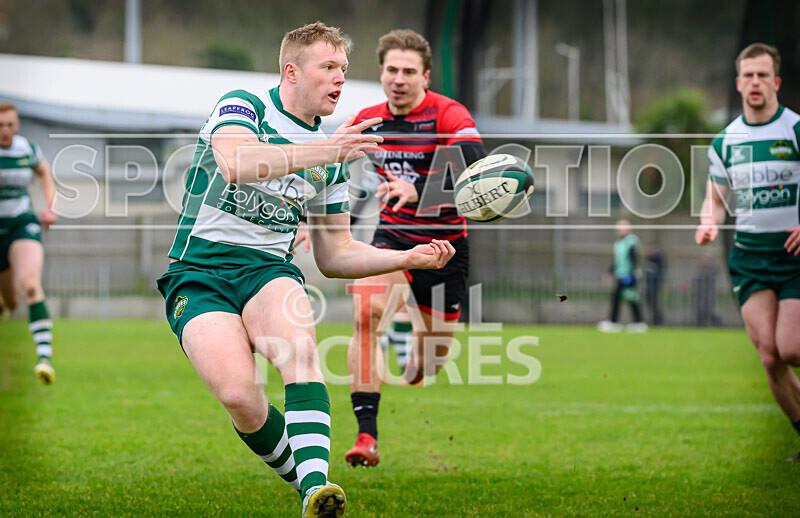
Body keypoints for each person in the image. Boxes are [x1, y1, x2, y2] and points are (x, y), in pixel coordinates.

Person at [155, 22, 455, 517]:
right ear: (292, 71)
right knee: (240, 398)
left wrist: (405, 257)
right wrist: (327, 151)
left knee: (300, 356)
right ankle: (305, 482)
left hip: (268, 271)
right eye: (329, 67)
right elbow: (235, 162)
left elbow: (335, 254)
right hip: (198, 271)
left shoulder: (333, 156)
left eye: (344, 69)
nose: (340, 79)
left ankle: (319, 489)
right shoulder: (243, 105)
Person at [344, 29, 486, 467]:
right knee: (366, 316)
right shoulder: (368, 118)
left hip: (445, 247)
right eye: (391, 70)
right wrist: (318, 222)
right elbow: (333, 168)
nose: (399, 79)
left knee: (432, 360)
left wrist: (419, 186)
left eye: (409, 71)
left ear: (425, 75)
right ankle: (366, 436)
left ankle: (420, 360)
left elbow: (473, 165)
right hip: (391, 239)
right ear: (381, 73)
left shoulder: (447, 113)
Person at [696, 42, 800, 461]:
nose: (754, 83)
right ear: (738, 83)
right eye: (748, 76)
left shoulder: (794, 130)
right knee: (769, 355)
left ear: (775, 82)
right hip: (750, 258)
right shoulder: (725, 142)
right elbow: (716, 200)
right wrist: (707, 222)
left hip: (792, 257)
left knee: (791, 347)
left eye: (762, 75)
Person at [0, 102, 57, 384]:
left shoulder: (27, 149)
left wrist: (49, 206)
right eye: (0, 126)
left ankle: (44, 359)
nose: (5, 131)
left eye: (10, 125)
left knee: (31, 285)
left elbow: (45, 175)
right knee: (9, 300)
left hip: (21, 223)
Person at [598, 219, 648, 333]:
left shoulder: (632, 241)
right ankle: (617, 322)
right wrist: (609, 273)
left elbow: (634, 258)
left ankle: (637, 322)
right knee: (619, 298)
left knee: (631, 297)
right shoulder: (618, 243)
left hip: (629, 275)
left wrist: (634, 274)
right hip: (620, 275)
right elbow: (616, 261)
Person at [644, 243, 666, 326]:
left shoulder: (659, 259)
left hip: (656, 285)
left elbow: (661, 271)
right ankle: (654, 320)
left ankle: (658, 320)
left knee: (655, 303)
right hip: (649, 284)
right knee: (649, 302)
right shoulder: (649, 258)